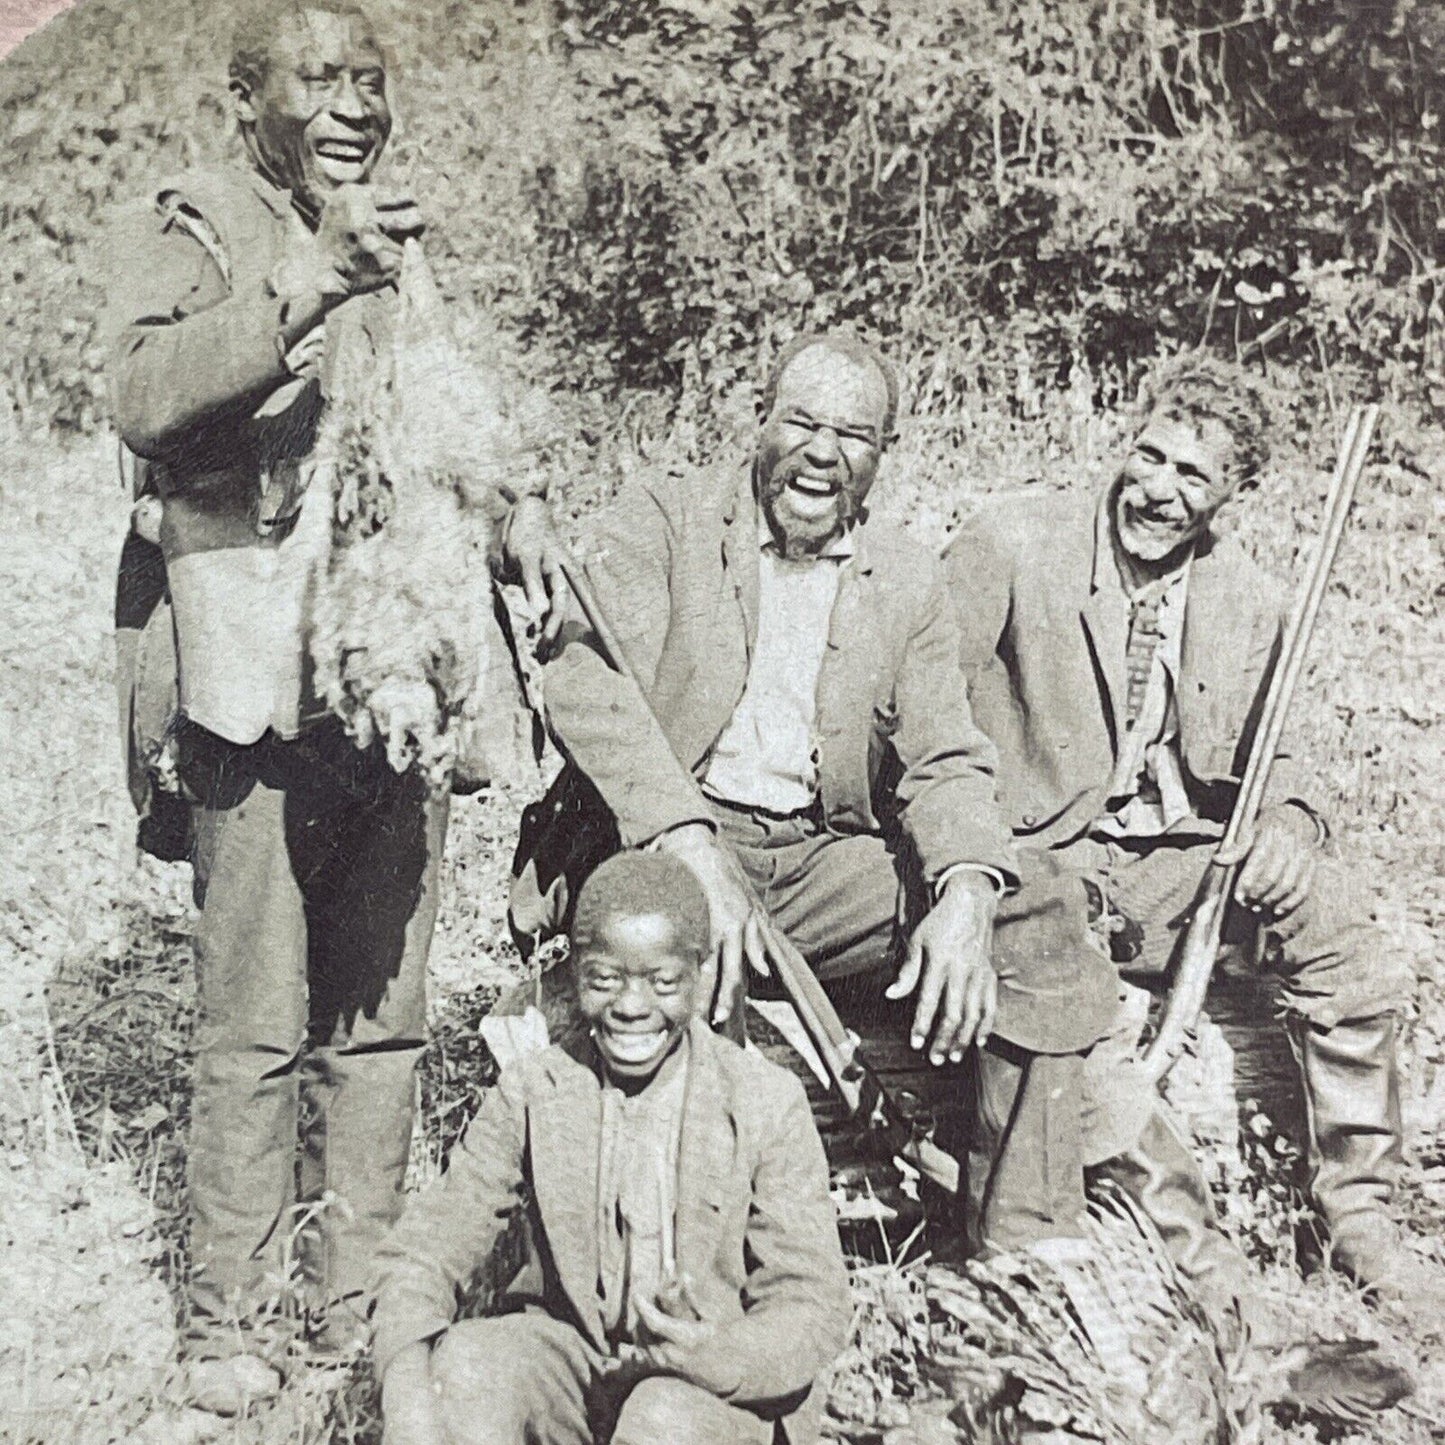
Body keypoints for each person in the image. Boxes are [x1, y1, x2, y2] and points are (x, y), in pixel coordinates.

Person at [105, 0, 559, 1411]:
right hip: (251, 683)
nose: (356, 104)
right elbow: (142, 395)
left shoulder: (401, 242)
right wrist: (305, 280)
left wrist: (514, 512)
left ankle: (352, 1290)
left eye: (371, 79)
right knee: (253, 1015)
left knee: (382, 1010)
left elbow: (443, 413)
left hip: (394, 681)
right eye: (320, 79)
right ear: (246, 102)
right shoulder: (191, 221)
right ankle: (226, 1314)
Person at [511, 331, 1119, 1256]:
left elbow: (946, 754)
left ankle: (1022, 1254)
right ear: (759, 421)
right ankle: (676, 1263)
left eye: (854, 434)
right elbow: (583, 683)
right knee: (674, 982)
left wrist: (963, 890)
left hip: (819, 860)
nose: (822, 452)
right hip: (660, 845)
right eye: (800, 421)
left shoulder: (906, 578)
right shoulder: (665, 520)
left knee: (1031, 909)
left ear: (881, 457)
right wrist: (685, 839)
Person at [943, 355, 1438, 1314]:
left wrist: (1289, 823)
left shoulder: (1244, 596)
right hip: (1035, 860)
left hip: (1172, 868)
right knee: (1072, 1012)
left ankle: (1361, 1216)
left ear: (1230, 497)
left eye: (1193, 476)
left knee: (1342, 932)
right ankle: (1203, 1273)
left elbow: (1281, 749)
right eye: (1150, 456)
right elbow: (917, 702)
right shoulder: (1011, 541)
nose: (1159, 490)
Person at [373, 851, 851, 1445]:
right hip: (577, 1366)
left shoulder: (763, 1100)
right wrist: (410, 1397)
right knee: (469, 1365)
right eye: (605, 980)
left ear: (700, 975)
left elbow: (811, 1299)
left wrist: (719, 1354)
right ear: (575, 975)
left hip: (707, 1391)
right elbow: (429, 1247)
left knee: (660, 1419)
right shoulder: (536, 1088)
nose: (631, 1006)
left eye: (664, 983)